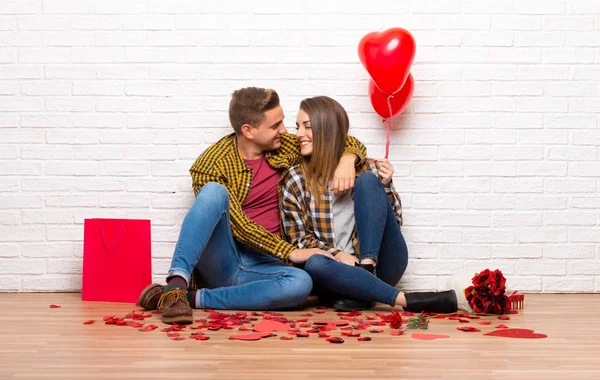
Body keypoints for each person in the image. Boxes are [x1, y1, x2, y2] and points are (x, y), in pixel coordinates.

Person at [137, 87, 368, 324]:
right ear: (248, 130)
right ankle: (176, 286)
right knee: (214, 192)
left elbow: (336, 138)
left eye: (283, 122)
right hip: (225, 259)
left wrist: (348, 159)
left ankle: (193, 298)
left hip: (266, 267)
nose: (285, 131)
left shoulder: (286, 145)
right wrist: (291, 251)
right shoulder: (212, 163)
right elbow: (240, 226)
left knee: (301, 284)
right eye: (275, 125)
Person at [280, 96, 457, 313]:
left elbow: (394, 224)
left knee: (367, 180)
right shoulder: (295, 179)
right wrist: (338, 255)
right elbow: (299, 240)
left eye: (307, 127)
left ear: (327, 129)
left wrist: (385, 187)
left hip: (382, 265)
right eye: (297, 127)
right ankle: (402, 299)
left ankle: (367, 270)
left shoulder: (367, 168)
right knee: (315, 263)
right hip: (336, 273)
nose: (298, 134)